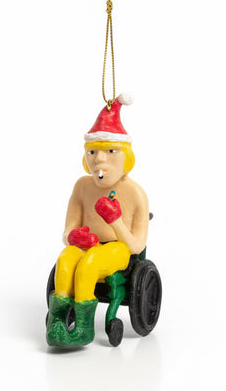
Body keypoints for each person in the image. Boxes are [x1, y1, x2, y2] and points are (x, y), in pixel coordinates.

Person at [46, 93, 149, 347]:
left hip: (119, 249)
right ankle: (57, 321)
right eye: (92, 152)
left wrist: (115, 221)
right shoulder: (82, 187)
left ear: (125, 156)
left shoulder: (135, 194)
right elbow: (67, 230)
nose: (99, 160)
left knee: (88, 265)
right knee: (66, 260)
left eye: (110, 151)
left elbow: (136, 246)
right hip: (88, 244)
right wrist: (73, 236)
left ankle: (83, 329)